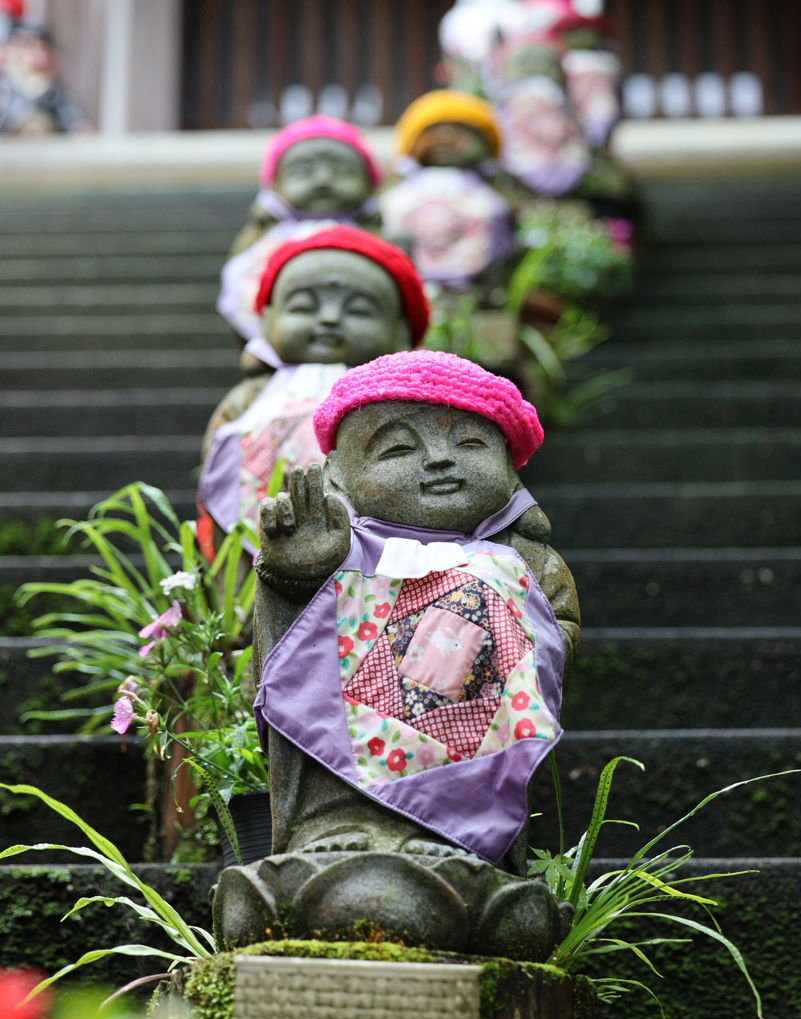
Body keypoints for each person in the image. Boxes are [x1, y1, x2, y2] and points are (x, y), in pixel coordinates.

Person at [213, 349, 580, 960]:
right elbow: (279, 664)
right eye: (398, 449)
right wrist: (295, 575)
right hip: (335, 819)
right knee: (289, 878)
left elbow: (554, 652)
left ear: (511, 475)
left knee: (511, 911)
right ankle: (337, 836)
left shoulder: (528, 563)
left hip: (469, 828)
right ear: (338, 477)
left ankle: (462, 848)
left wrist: (493, 617)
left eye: (470, 445)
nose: (439, 460)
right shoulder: (337, 548)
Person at [198, 227, 429, 556]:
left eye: (359, 311)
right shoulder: (253, 395)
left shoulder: (401, 399)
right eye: (305, 307)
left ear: (401, 333)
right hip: (262, 522)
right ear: (266, 321)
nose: (330, 319)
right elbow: (221, 452)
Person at [218, 116, 383, 346]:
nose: (323, 180)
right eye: (303, 171)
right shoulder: (264, 235)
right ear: (275, 183)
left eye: (341, 171)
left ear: (368, 181)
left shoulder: (376, 234)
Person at [380, 90, 515, 290]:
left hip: (474, 281)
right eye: (434, 130)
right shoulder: (396, 196)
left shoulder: (491, 198)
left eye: (460, 131)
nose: (445, 138)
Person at [0, 20, 87, 134]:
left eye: (37, 47)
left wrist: (79, 127)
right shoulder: (7, 88)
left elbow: (71, 118)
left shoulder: (54, 93)